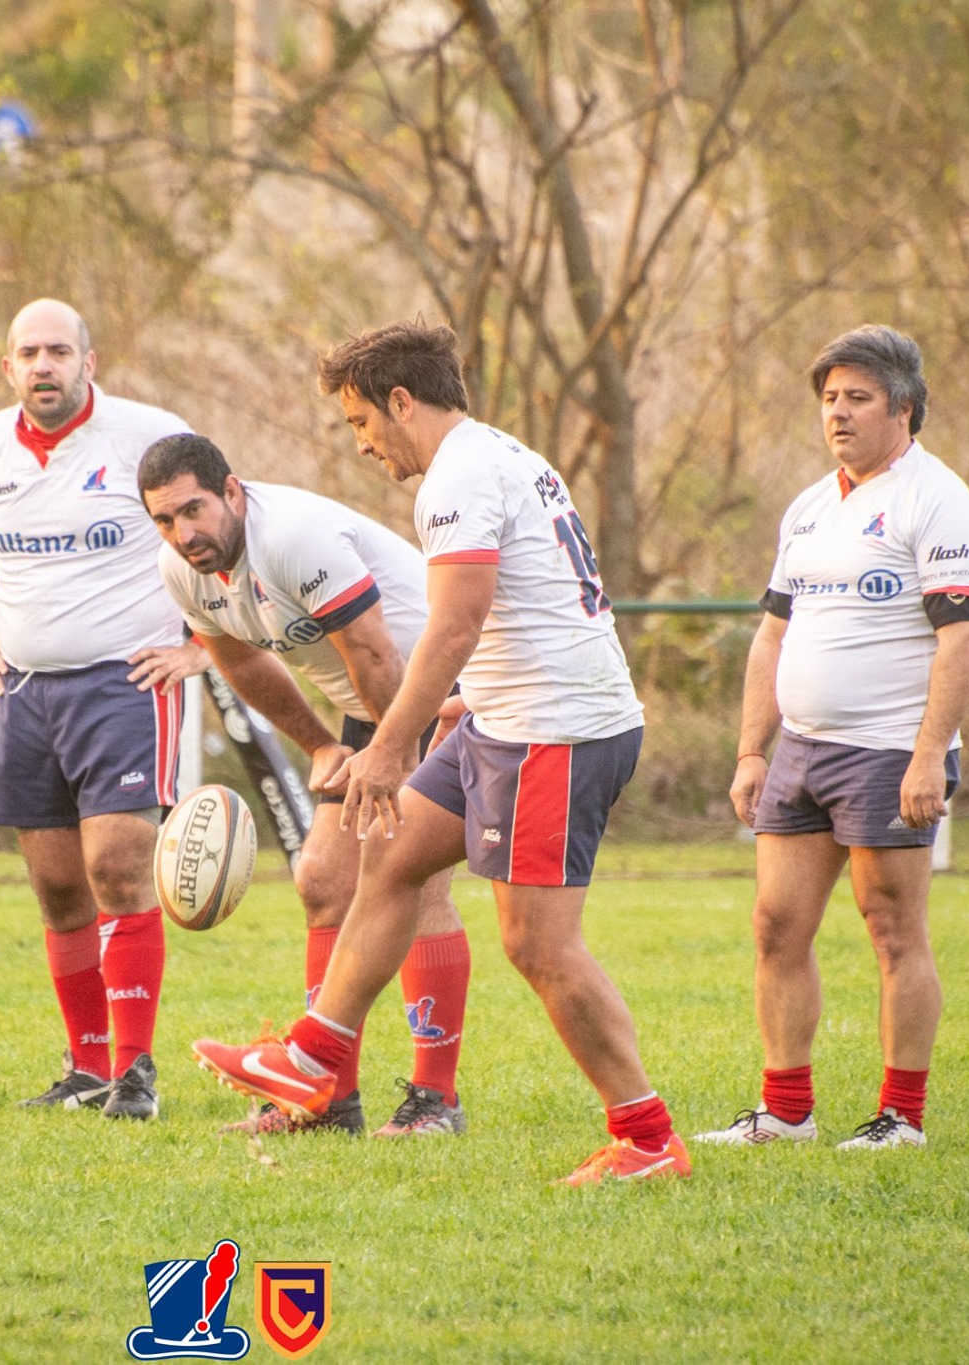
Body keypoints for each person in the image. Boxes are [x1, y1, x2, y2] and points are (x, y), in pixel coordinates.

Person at [193, 322, 688, 1185]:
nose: (362, 445)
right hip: (509, 717)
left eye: (360, 423)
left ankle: (647, 1138)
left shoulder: (456, 478)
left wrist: (386, 747)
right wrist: (471, 698)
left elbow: (455, 622)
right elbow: (520, 610)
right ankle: (315, 1057)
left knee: (539, 946)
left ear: (401, 400)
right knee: (390, 855)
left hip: (553, 733)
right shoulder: (501, 455)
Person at [698, 324, 969, 1152]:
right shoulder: (808, 506)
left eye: (858, 398)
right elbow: (770, 637)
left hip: (889, 751)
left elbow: (962, 639)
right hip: (800, 750)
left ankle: (901, 1117)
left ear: (903, 408)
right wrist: (753, 748)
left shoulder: (937, 500)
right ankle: (786, 1112)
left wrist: (928, 753)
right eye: (830, 398)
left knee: (892, 928)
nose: (839, 413)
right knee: (774, 925)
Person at [139, 432, 472, 1139]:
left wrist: (394, 756)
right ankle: (323, 1097)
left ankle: (434, 1101)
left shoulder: (292, 536)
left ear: (232, 491)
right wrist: (321, 744)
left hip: (443, 691)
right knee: (323, 877)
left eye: (194, 510)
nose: (183, 533)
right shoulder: (183, 569)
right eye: (164, 520)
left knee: (412, 873)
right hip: (371, 703)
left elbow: (376, 650)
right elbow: (237, 661)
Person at [0, 299, 207, 1122]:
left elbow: (221, 529)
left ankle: (136, 1073)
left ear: (91, 360)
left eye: (58, 350)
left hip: (124, 682)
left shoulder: (144, 438)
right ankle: (85, 1070)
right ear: (7, 367)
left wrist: (200, 642)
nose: (43, 365)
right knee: (57, 889)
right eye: (28, 353)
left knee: (119, 864)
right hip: (23, 691)